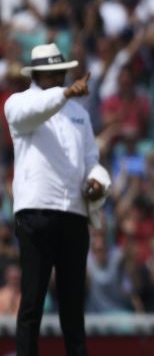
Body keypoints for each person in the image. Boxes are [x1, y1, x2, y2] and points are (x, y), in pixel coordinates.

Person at [5, 43, 111, 356]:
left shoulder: (79, 113)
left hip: (74, 214)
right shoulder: (19, 104)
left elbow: (91, 158)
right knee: (32, 300)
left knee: (72, 303)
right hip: (36, 212)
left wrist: (97, 181)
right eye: (51, 72)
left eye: (60, 71)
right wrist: (64, 95)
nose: (59, 76)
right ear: (37, 74)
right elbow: (37, 110)